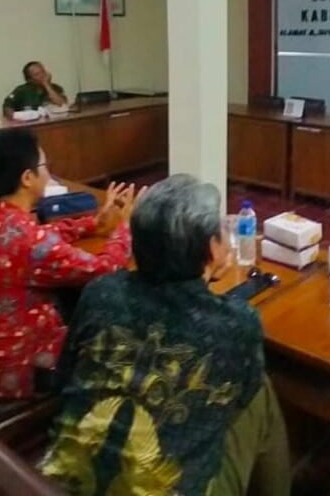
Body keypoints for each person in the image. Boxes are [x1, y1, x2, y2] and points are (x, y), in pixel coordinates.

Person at [40, 175, 290, 496]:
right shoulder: (237, 322)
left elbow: (64, 377)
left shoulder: (101, 291)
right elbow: (237, 400)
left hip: (60, 478)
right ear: (211, 248)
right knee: (259, 393)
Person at [0, 128, 134, 399]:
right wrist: (125, 229)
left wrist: (93, 223)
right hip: (16, 367)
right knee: (116, 320)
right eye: (44, 166)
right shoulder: (30, 242)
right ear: (27, 178)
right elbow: (105, 269)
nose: (48, 173)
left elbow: (41, 236)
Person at [2, 61, 67, 118]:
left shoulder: (55, 88)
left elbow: (61, 105)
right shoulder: (21, 90)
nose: (42, 75)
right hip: (29, 125)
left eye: (43, 72)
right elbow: (7, 107)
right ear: (29, 80)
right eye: (37, 74)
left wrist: (47, 85)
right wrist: (16, 117)